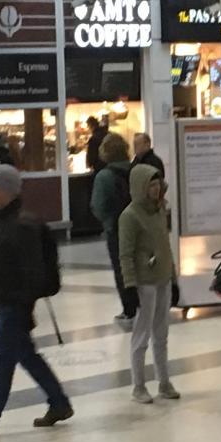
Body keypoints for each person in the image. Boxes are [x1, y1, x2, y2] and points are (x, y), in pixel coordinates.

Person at [0, 165, 71, 440]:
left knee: (2, 359)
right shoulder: (1, 220)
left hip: (14, 303)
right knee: (25, 355)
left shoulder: (20, 226)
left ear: (3, 191)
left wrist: (19, 301)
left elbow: (29, 270)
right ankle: (59, 403)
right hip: (5, 301)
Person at [118, 164, 180, 404]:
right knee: (141, 335)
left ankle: (164, 381)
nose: (155, 189)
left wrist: (173, 280)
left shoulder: (159, 211)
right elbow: (126, 253)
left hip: (162, 278)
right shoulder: (130, 216)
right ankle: (138, 385)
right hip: (144, 282)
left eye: (157, 184)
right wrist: (130, 285)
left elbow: (165, 248)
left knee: (161, 333)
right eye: (150, 185)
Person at [90, 132, 137, 319]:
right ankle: (145, 302)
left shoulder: (104, 176)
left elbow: (98, 206)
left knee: (121, 268)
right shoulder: (138, 170)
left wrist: (106, 220)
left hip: (116, 228)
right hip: (140, 225)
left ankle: (129, 307)